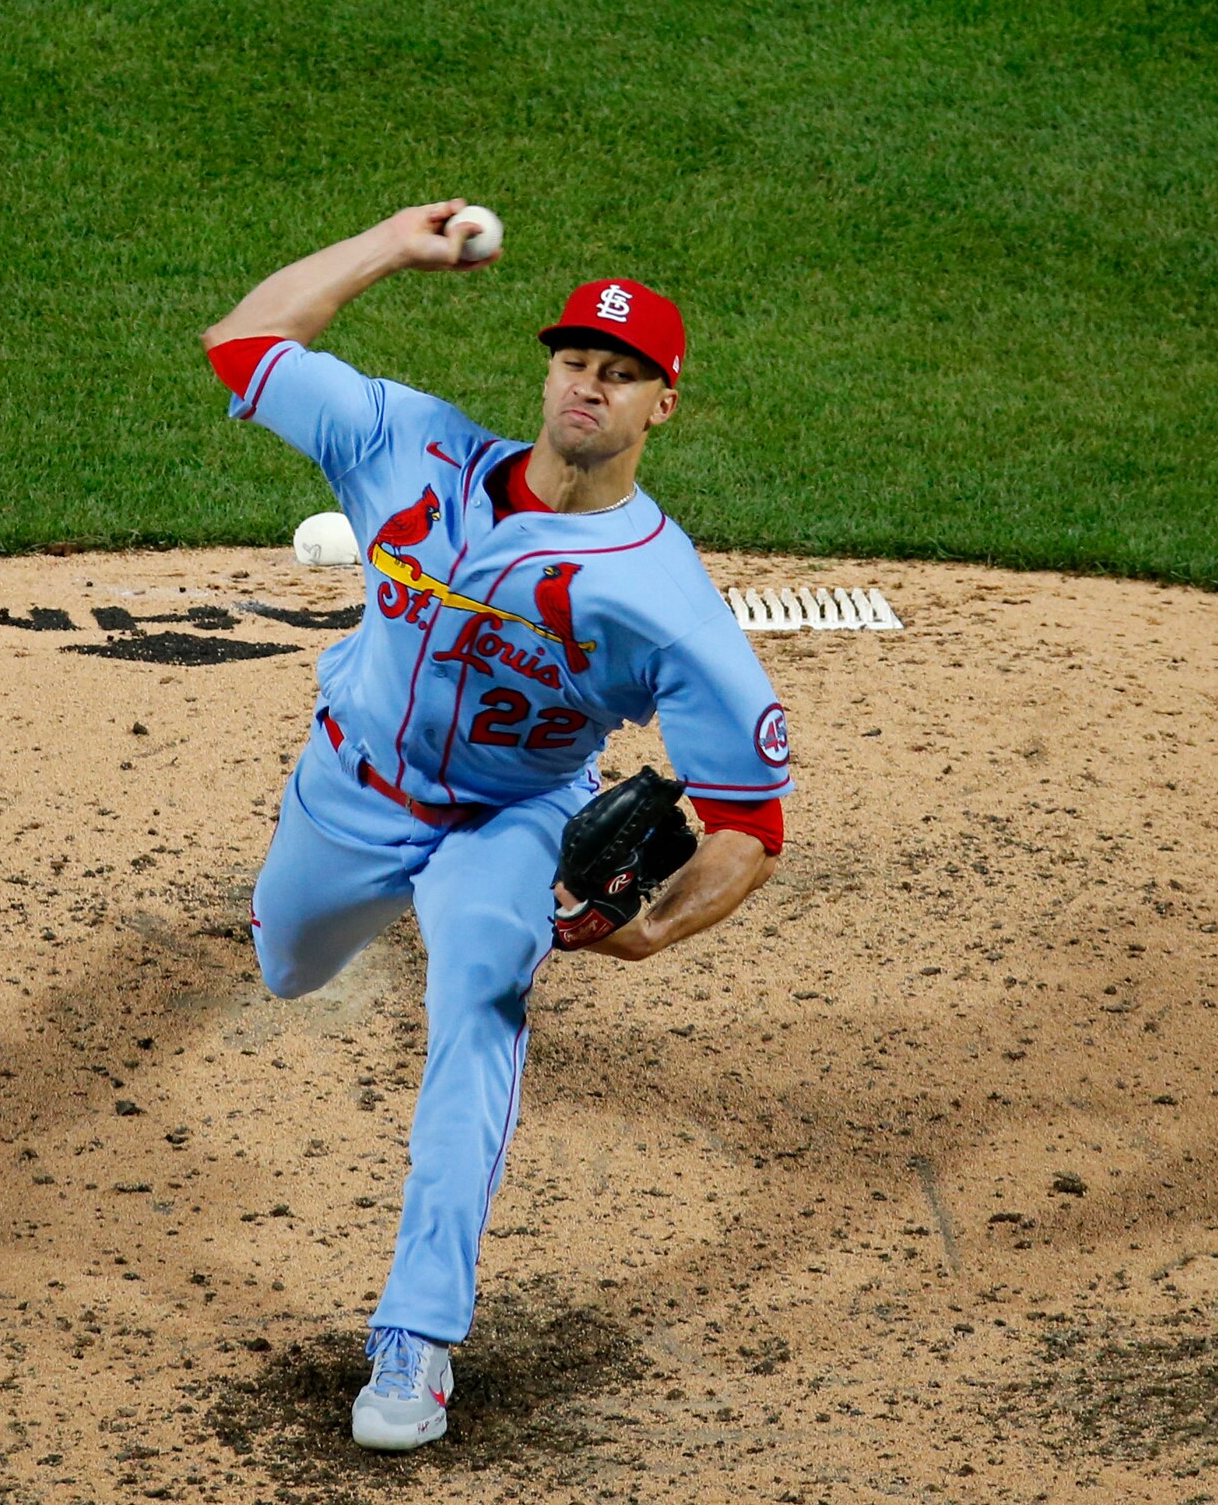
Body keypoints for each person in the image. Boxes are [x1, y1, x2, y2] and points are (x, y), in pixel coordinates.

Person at [202, 200, 795, 1451]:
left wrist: (650, 933)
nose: (590, 383)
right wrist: (387, 244)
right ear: (547, 370)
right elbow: (244, 344)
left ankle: (415, 1340)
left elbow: (749, 819)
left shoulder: (663, 598)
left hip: (516, 814)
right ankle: (341, 909)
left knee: (479, 999)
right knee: (287, 964)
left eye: (621, 371)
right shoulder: (408, 445)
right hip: (351, 783)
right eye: (576, 357)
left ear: (661, 404)